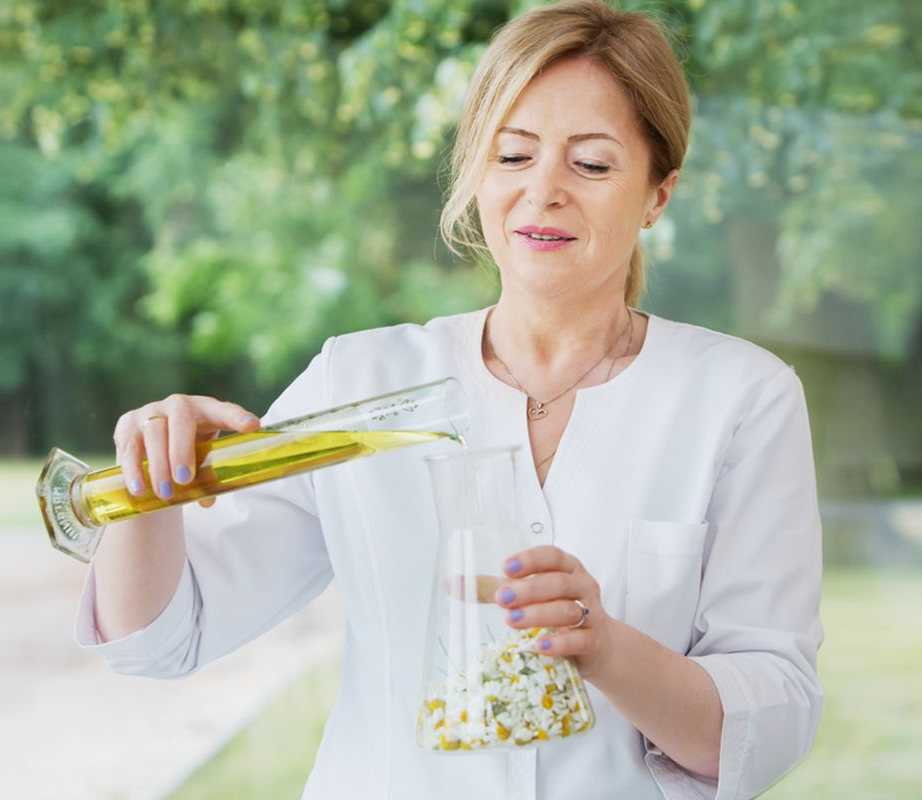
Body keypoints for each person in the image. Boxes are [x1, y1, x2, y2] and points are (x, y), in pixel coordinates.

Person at [75, 2, 824, 798]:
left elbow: (766, 726)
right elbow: (159, 641)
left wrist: (604, 648)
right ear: (476, 173)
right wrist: (146, 493)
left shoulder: (741, 398)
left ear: (657, 194)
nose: (544, 191)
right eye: (513, 155)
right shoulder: (361, 382)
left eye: (593, 165)